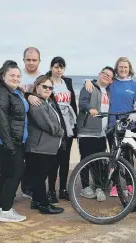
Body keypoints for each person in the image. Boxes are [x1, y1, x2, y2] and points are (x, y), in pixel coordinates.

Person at [85, 57, 136, 197]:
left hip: (129, 126)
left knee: (128, 157)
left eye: (126, 67)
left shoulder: (134, 85)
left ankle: (129, 183)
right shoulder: (112, 82)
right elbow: (99, 84)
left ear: (129, 69)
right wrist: (87, 81)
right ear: (117, 68)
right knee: (114, 156)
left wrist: (131, 118)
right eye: (121, 67)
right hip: (112, 126)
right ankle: (116, 185)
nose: (123, 69)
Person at [0, 60, 28, 222]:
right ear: (3, 76)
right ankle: (6, 210)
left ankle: (1, 208)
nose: (16, 78)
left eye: (18, 75)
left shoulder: (15, 91)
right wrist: (9, 145)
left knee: (6, 173)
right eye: (12, 75)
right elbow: (1, 121)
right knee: (16, 172)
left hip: (12, 140)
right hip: (3, 140)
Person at [25, 75, 64, 214]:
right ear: (37, 87)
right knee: (40, 177)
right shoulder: (37, 103)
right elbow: (46, 124)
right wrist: (60, 131)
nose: (48, 89)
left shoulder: (47, 102)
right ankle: (44, 205)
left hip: (45, 147)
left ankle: (36, 201)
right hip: (39, 147)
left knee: (40, 176)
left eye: (50, 87)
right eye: (45, 86)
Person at [77, 66, 114, 200]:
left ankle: (98, 187)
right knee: (86, 160)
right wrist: (90, 109)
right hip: (87, 131)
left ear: (111, 81)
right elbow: (82, 103)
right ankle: (85, 187)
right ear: (99, 74)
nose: (106, 76)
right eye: (104, 73)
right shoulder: (89, 87)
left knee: (99, 162)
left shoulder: (109, 91)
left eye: (109, 76)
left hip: (102, 132)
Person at [45, 57, 78, 203]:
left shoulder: (67, 82)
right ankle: (51, 191)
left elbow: (72, 104)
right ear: (51, 67)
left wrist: (76, 124)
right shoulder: (47, 83)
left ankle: (63, 190)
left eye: (62, 67)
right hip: (55, 126)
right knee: (54, 160)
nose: (59, 70)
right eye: (56, 67)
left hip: (69, 125)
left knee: (65, 160)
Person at [21, 47, 42, 199]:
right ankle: (22, 188)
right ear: (23, 60)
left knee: (35, 157)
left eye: (34, 60)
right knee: (20, 158)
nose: (31, 62)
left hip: (37, 123)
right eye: (28, 59)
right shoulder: (17, 75)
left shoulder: (43, 77)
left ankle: (32, 186)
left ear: (39, 61)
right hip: (20, 123)